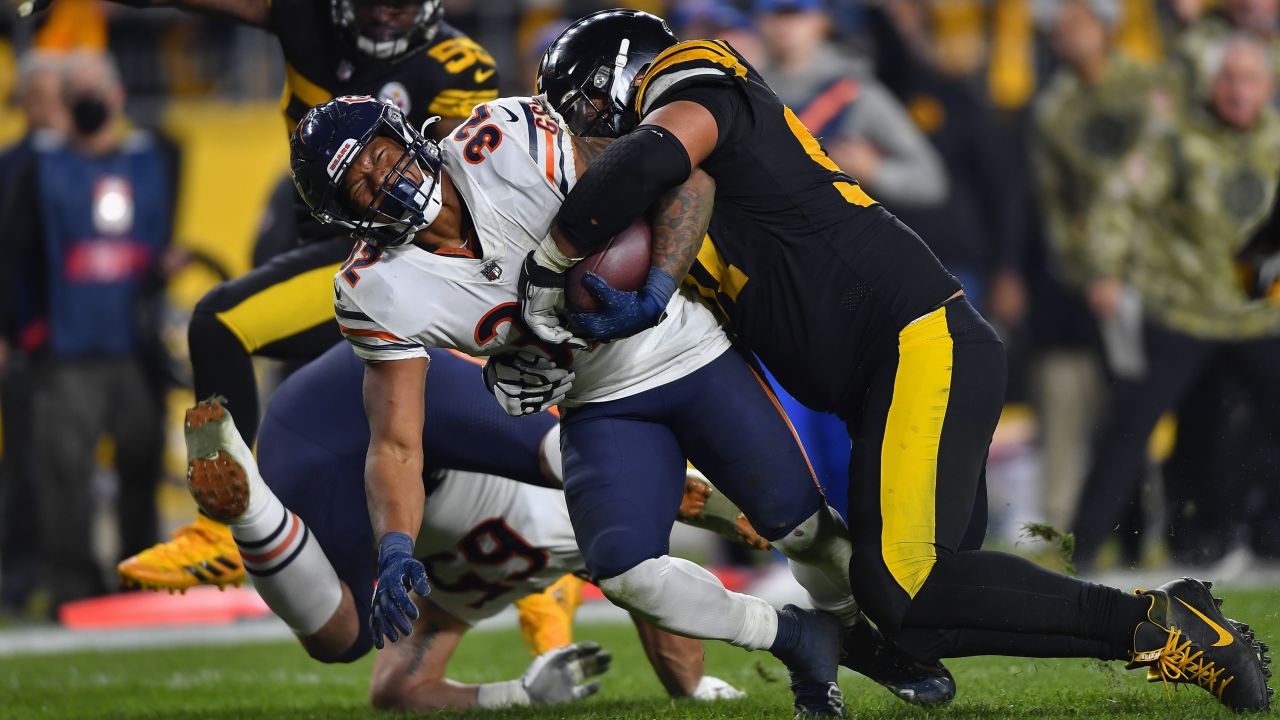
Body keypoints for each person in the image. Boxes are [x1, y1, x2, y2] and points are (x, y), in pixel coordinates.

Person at [519, 9, 1273, 712]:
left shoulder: (697, 73)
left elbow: (657, 150)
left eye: (580, 109)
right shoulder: (682, 205)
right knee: (916, 614)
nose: (582, 133)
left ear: (620, 76)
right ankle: (1174, 624)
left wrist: (553, 258)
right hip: (890, 379)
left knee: (906, 582)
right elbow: (695, 241)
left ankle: (1170, 628)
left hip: (918, 344)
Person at [289, 93, 955, 717]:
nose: (386, 181)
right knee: (628, 573)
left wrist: (659, 284)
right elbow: (397, 441)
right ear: (344, 214)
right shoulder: (373, 289)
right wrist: (398, 545)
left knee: (803, 528)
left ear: (403, 133)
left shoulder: (508, 140)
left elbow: (684, 177)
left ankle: (859, 638)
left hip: (683, 346)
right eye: (360, 185)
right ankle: (791, 636)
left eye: (379, 156)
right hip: (598, 399)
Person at [49, 0, 503, 593]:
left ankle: (221, 530)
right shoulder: (306, 19)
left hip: (390, 257)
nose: (388, 16)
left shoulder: (459, 63)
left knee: (221, 324)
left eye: (402, 4)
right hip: (321, 243)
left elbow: (460, 186)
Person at [177, 344, 748, 709]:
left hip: (322, 437)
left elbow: (396, 691)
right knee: (574, 461)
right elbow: (660, 589)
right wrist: (691, 689)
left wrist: (520, 695)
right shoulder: (583, 540)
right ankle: (255, 512)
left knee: (342, 640)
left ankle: (252, 508)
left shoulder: (455, 598)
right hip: (413, 416)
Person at [1071, 36, 1280, 569]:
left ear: (1268, 87)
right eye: (1228, 79)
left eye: (1250, 79)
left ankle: (1257, 538)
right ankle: (1082, 548)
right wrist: (1104, 272)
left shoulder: (1276, 140)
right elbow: (1118, 200)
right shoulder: (1175, 140)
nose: (1239, 91)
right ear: (1212, 87)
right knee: (1128, 431)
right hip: (1180, 313)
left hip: (1256, 314)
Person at [0, 51, 174, 612]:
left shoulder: (156, 158)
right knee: (64, 481)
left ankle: (142, 577)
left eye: (95, 88)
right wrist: (23, 333)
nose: (88, 101)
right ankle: (72, 589)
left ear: (118, 94)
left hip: (133, 345)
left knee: (141, 470)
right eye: (76, 92)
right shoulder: (36, 168)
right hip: (68, 348)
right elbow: (15, 255)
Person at [1030, 0, 1173, 535]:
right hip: (1100, 282)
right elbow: (1057, 206)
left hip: (1166, 272)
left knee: (1153, 400)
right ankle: (1124, 532)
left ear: (1106, 27)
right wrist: (1094, 272)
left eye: (1079, 24)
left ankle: (1166, 522)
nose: (1069, 37)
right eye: (1061, 29)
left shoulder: (1148, 86)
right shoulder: (1055, 108)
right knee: (1120, 402)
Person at [755, 0, 948, 211]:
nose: (784, 24)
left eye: (795, 13)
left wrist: (875, 171)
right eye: (774, 13)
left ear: (821, 21)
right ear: (760, 21)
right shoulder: (750, 91)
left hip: (840, 232)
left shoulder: (855, 92)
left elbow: (930, 180)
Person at [0, 50, 69, 615]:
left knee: (72, 463)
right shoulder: (11, 166)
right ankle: (17, 578)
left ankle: (73, 578)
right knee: (25, 463)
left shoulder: (85, 159)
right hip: (27, 335)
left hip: (80, 336)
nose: (51, 107)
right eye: (42, 96)